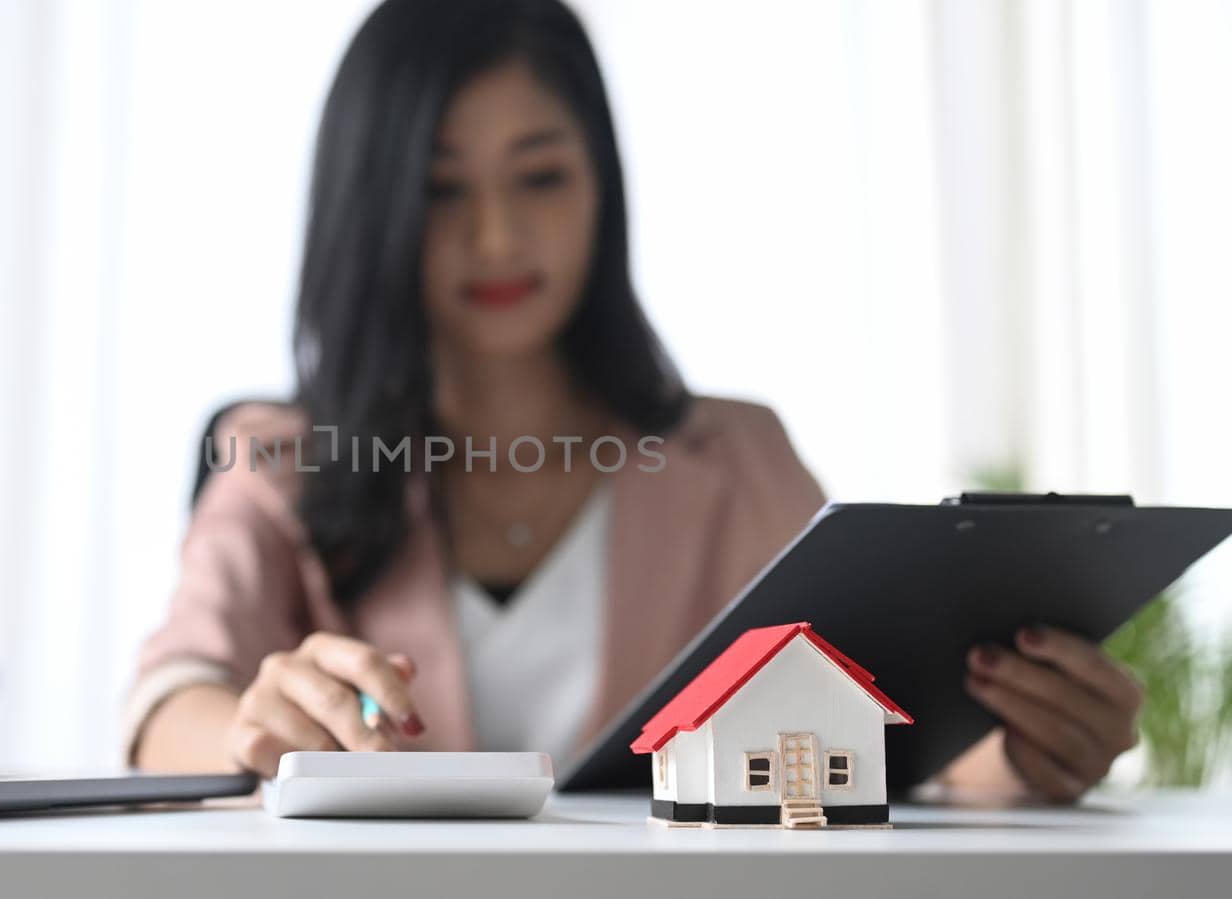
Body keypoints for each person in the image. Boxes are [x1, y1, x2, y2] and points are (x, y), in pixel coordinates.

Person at [124, 0, 1140, 802]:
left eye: (540, 177)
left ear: (600, 186)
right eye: (441, 191)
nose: (495, 238)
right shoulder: (276, 458)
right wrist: (254, 725)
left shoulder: (734, 455)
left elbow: (878, 725)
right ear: (373, 208)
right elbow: (168, 698)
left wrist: (1026, 752)